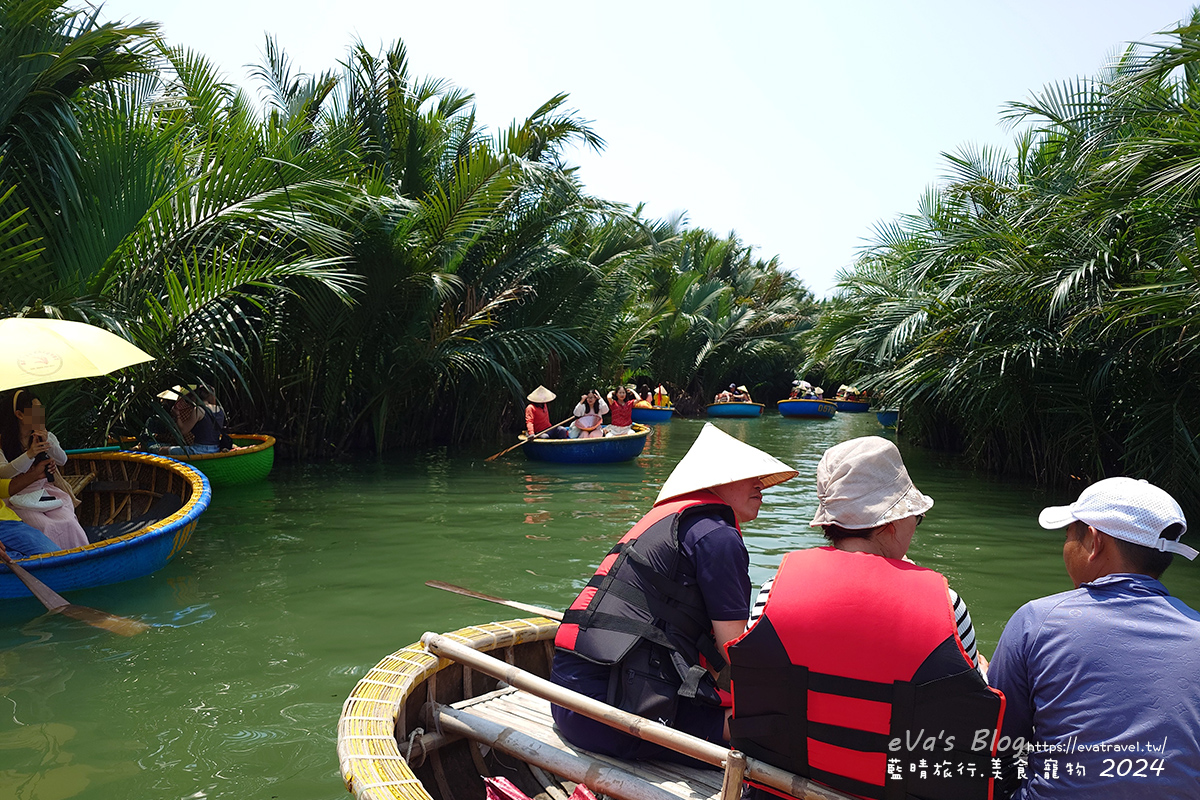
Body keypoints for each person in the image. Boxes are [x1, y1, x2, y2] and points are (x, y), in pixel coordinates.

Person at [729, 436, 1003, 800]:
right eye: (916, 519)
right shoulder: (946, 607)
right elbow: (967, 708)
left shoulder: (772, 591)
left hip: (780, 792)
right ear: (891, 522)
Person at [551, 423, 798, 763]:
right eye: (749, 475)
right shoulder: (717, 536)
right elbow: (734, 651)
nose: (760, 484)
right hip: (611, 714)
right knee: (779, 730)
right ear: (714, 480)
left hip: (567, 696)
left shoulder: (672, 521)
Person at [988, 477, 1200, 799]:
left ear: (1094, 541)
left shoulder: (1036, 622)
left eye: (1069, 534)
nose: (1065, 546)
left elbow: (995, 744)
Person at [0, 389, 88, 550]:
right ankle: (54, 564)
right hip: (16, 498)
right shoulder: (3, 442)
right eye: (35, 411)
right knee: (45, 525)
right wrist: (30, 454)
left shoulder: (45, 435)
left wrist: (49, 443)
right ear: (19, 415)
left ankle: (80, 559)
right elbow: (4, 473)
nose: (41, 415)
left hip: (44, 492)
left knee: (68, 521)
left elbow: (63, 460)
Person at [0, 456, 63, 559]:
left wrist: (36, 475)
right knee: (14, 563)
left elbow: (3, 487)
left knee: (53, 556)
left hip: (6, 521)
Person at [149, 385, 227, 455]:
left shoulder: (198, 410)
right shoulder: (220, 410)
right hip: (216, 448)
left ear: (196, 397)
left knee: (162, 450)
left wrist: (178, 416)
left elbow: (183, 431)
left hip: (198, 450)